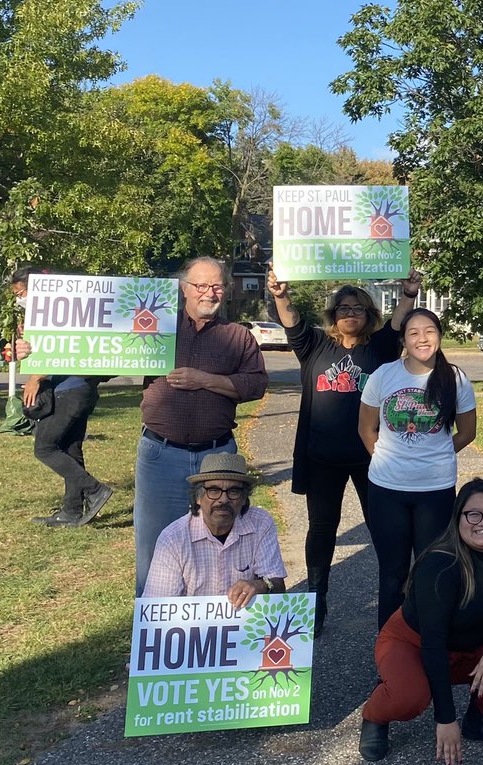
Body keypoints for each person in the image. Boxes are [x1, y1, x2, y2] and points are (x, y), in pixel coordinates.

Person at [266, 267, 420, 636]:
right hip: (322, 458)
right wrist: (280, 295)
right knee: (321, 529)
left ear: (369, 314)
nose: (350, 313)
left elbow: (398, 325)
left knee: (383, 528)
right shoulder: (316, 345)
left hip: (371, 457)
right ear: (333, 314)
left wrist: (410, 294)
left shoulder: (379, 348)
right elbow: (291, 323)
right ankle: (315, 605)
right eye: (343, 308)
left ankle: (395, 604)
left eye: (358, 308)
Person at [358, 478, 483, 765]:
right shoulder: (439, 564)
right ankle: (374, 714)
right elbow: (433, 643)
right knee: (409, 698)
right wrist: (445, 718)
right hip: (414, 643)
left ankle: (481, 720)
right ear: (457, 518)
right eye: (473, 514)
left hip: (474, 644)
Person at [134, 256, 268, 594]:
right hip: (161, 454)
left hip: (217, 457)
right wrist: (40, 352)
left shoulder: (238, 336)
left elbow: (255, 385)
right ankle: (153, 637)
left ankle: (213, 633)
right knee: (154, 548)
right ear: (184, 289)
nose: (210, 293)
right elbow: (98, 361)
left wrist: (204, 380)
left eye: (217, 286)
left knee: (223, 547)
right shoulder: (154, 328)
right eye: (201, 286)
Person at [359, 307, 477, 628]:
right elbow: (366, 429)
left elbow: (467, 432)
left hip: (435, 491)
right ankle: (389, 652)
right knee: (392, 574)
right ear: (403, 340)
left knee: (432, 570)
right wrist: (386, 458)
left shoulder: (455, 378)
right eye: (414, 333)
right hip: (386, 491)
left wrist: (435, 453)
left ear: (439, 336)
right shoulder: (384, 375)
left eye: (429, 331)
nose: (422, 338)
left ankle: (431, 645)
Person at [10, 268, 113, 528]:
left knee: (45, 447)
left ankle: (95, 489)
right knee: (70, 449)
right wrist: (26, 348)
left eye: (20, 293)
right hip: (79, 389)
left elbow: (70, 351)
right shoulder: (54, 316)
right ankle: (72, 511)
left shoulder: (62, 315)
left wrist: (36, 377)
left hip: (71, 388)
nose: (18, 299)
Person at [142, 452, 287, 609]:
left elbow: (277, 585)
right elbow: (157, 610)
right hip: (189, 630)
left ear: (244, 498)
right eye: (213, 490)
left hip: (248, 627)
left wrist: (260, 585)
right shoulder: (173, 538)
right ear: (198, 497)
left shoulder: (261, 523)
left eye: (233, 491)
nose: (223, 499)